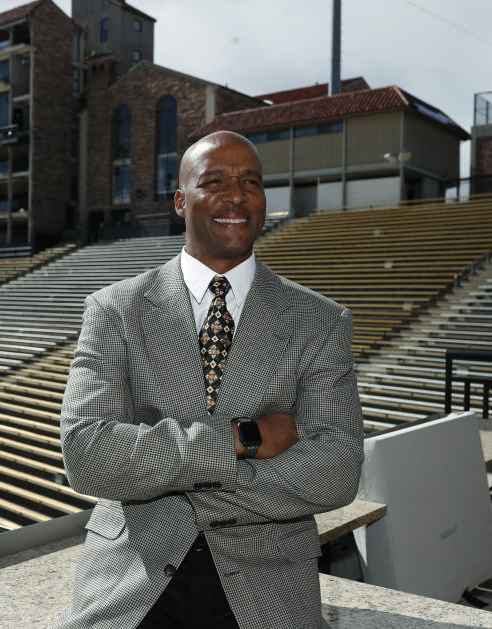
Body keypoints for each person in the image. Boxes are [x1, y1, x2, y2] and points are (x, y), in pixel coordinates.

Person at [57, 130, 364, 629]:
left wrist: (168, 481)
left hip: (268, 587)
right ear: (181, 200)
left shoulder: (319, 320)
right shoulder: (115, 309)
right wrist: (242, 439)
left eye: (251, 182)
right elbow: (88, 454)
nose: (237, 196)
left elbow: (338, 468)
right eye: (215, 180)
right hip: (132, 580)